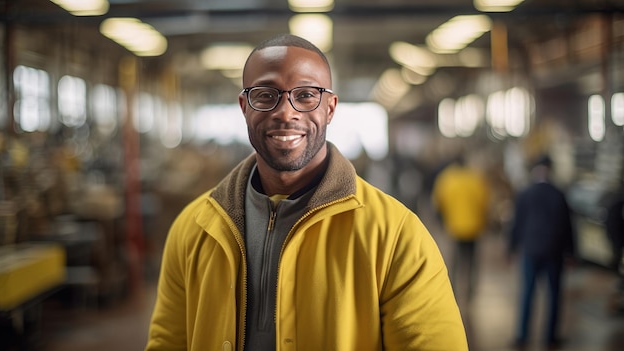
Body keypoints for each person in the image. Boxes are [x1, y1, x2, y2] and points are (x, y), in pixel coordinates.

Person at [145, 34, 467, 351]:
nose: (286, 112)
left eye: (306, 95)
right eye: (265, 94)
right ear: (244, 107)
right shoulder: (193, 229)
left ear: (330, 108)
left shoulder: (397, 236)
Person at [507, 154, 575, 349]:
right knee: (554, 295)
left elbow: (516, 223)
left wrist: (511, 248)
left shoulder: (525, 193)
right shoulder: (559, 194)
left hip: (530, 250)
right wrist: (570, 252)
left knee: (527, 293)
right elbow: (568, 225)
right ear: (550, 170)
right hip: (554, 251)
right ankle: (551, 337)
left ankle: (522, 335)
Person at [432, 153, 490, 302]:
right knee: (471, 261)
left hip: (455, 227)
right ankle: (470, 291)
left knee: (456, 261)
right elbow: (484, 201)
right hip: (474, 227)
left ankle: (453, 289)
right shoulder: (475, 178)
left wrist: (443, 219)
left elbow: (438, 201)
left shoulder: (446, 178)